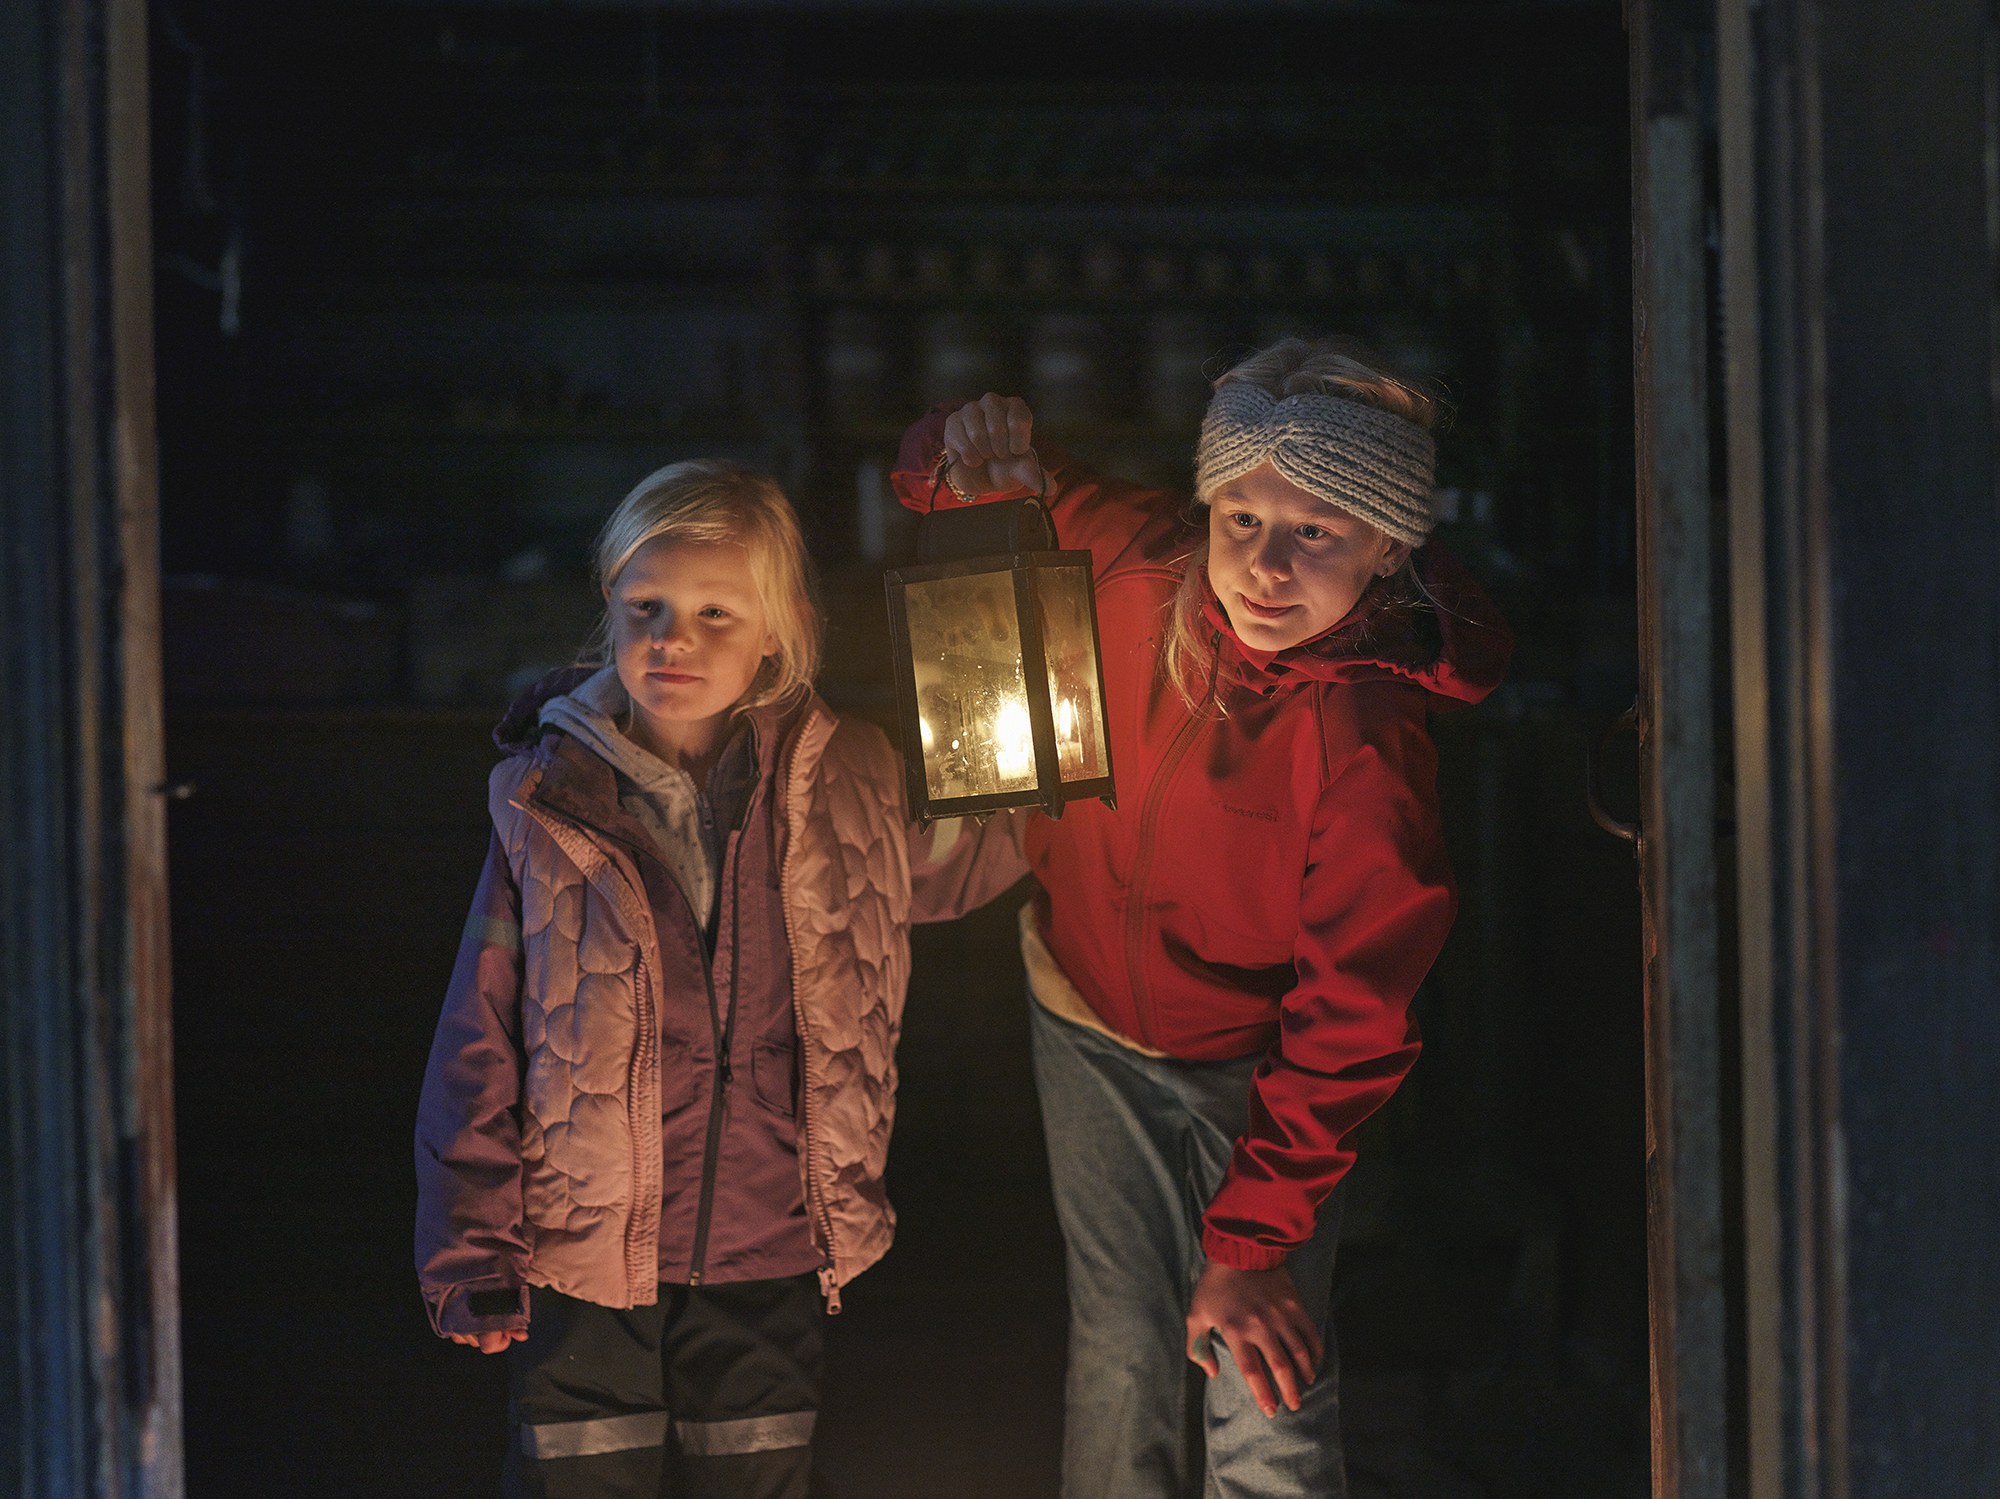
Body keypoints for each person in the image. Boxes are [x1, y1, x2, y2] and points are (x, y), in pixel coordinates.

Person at [890, 336, 1513, 1498]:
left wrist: (1255, 1239)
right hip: (1084, 1019)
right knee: (1119, 1347)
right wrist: (967, 449)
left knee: (1258, 1368)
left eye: (1315, 532)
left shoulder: (1366, 747)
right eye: (1240, 519)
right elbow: (942, 476)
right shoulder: (1135, 558)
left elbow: (1352, 1017)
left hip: (1262, 1075)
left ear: (1388, 546)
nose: (1264, 565)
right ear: (1207, 505)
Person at [415, 459, 1027, 1499]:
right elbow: (478, 1031)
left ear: (775, 632)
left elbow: (960, 862)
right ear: (607, 604)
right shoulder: (542, 799)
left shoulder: (854, 781)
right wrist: (472, 1243)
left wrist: (1043, 744)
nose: (671, 639)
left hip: (768, 1241)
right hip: (581, 1255)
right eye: (644, 605)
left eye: (712, 612)